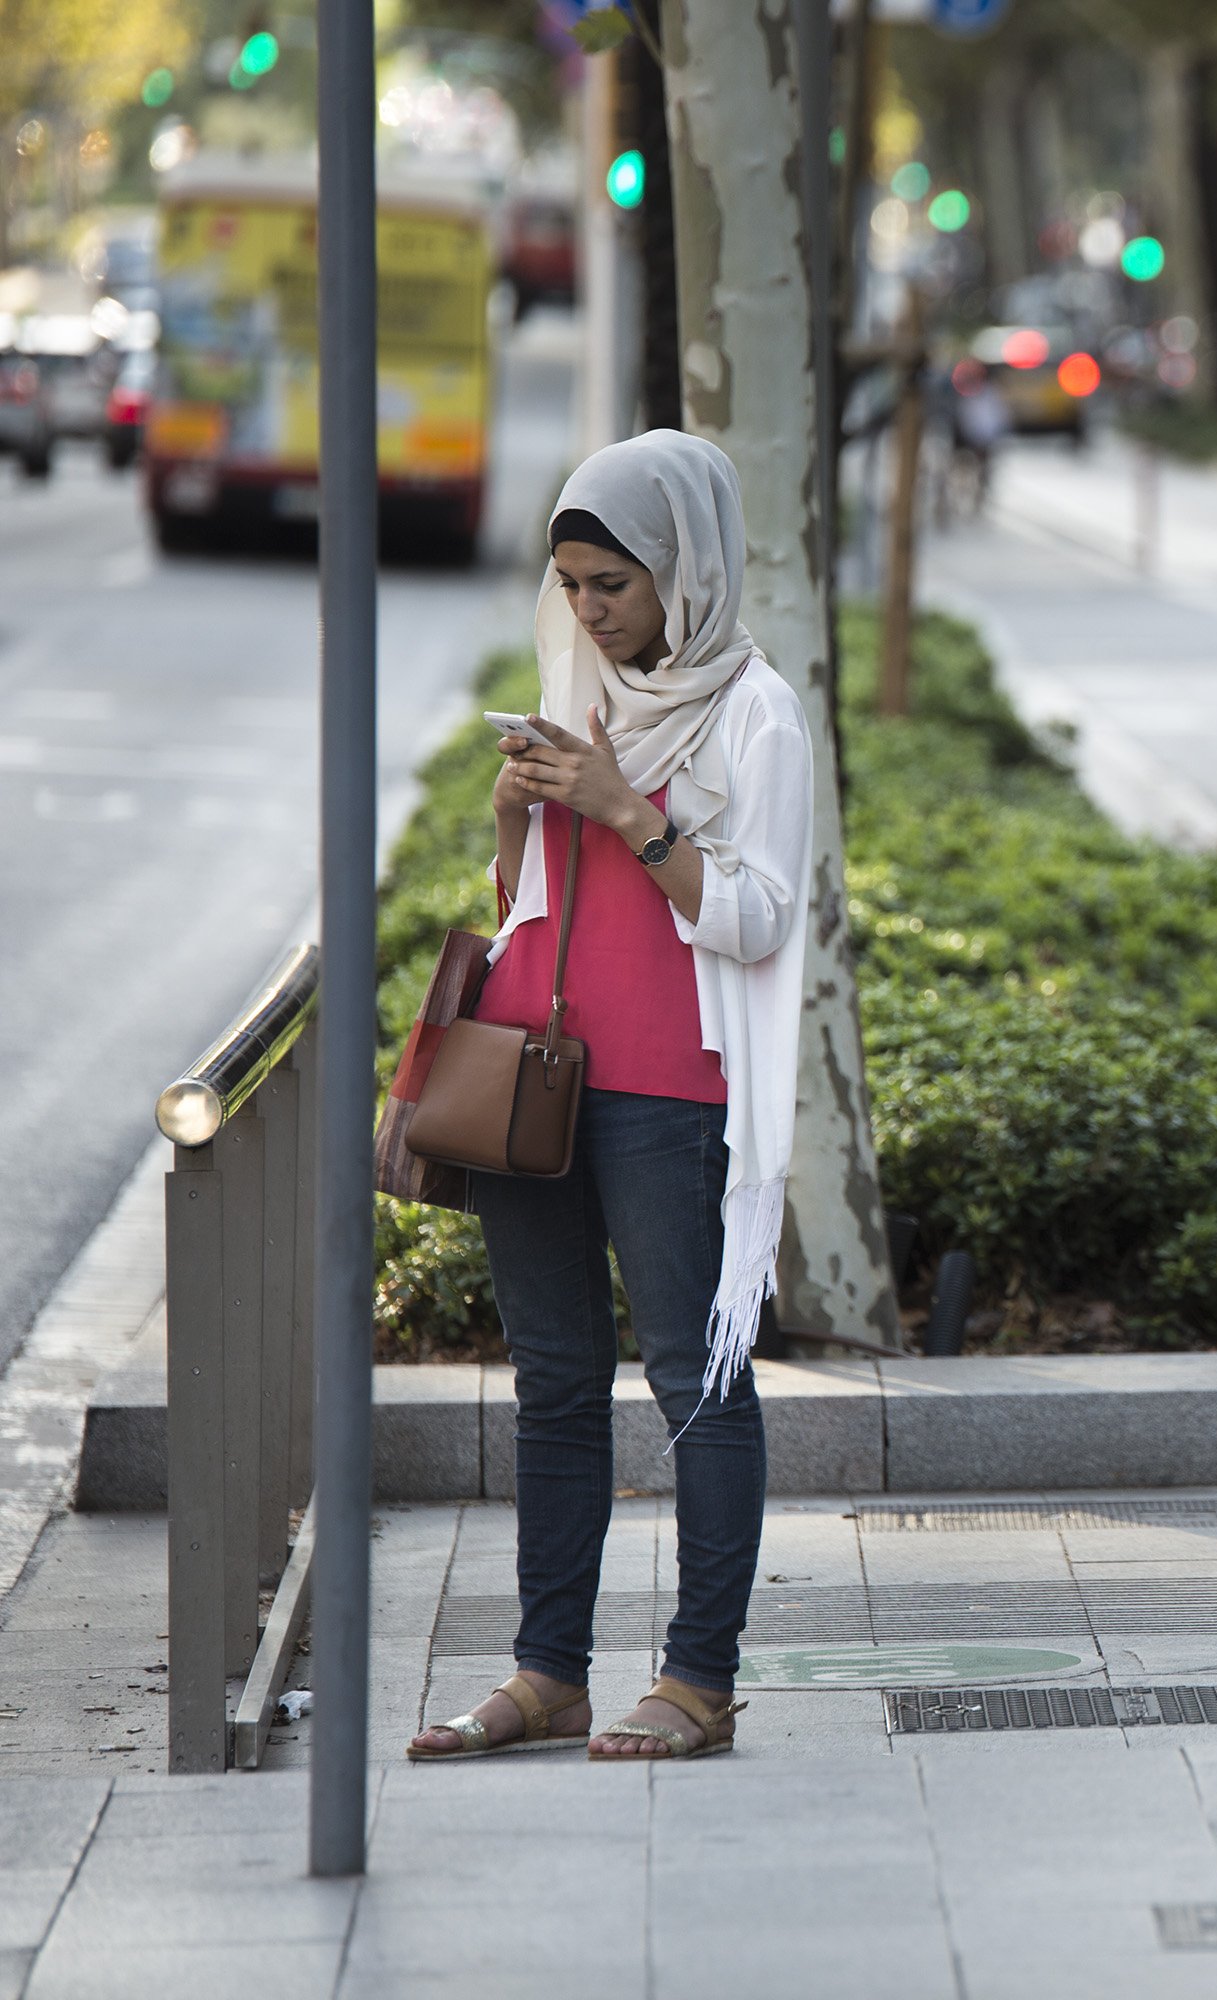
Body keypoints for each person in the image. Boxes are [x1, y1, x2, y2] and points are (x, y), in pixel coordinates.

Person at [406, 431, 814, 1765]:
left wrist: (629, 811)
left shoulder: (756, 711)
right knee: (555, 1384)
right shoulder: (572, 682)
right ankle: (549, 1673)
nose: (585, 611)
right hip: (533, 1075)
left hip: (672, 1093)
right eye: (570, 583)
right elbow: (522, 895)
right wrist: (519, 803)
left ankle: (699, 1679)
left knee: (697, 1380)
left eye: (612, 586)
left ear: (682, 571)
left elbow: (756, 919)